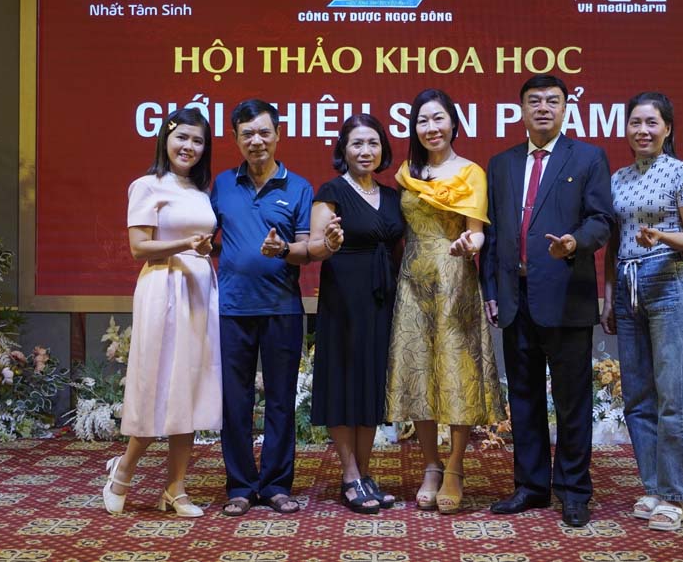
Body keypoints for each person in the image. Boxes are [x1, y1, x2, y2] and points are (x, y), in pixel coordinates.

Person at [480, 74, 614, 526]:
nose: (543, 108)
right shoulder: (501, 163)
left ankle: (574, 490)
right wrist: (491, 290)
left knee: (573, 401)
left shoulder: (588, 157)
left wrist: (575, 242)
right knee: (524, 399)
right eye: (534, 101)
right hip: (515, 297)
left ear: (564, 109)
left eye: (552, 101)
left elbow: (601, 219)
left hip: (566, 296)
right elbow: (492, 232)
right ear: (521, 109)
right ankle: (531, 486)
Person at [211, 99, 340, 516]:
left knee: (281, 400)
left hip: (282, 308)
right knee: (235, 401)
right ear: (235, 138)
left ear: (278, 135)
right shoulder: (222, 185)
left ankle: (277, 485)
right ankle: (240, 486)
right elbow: (208, 237)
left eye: (264, 132)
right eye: (247, 134)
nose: (257, 141)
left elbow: (307, 249)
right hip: (232, 308)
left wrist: (283, 249)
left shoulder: (298, 187)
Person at [385, 89, 505, 515]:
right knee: (418, 373)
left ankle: (455, 467)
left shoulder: (471, 172)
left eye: (438, 119)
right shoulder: (407, 173)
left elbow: (478, 232)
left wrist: (469, 244)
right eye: (422, 120)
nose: (431, 128)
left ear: (454, 123)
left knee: (457, 372)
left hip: (455, 280)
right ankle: (430, 465)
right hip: (413, 284)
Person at [103, 108, 220, 518]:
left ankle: (175, 488)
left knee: (189, 386)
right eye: (182, 137)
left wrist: (202, 249)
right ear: (165, 139)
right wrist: (187, 244)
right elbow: (139, 248)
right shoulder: (147, 186)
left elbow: (200, 240)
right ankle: (122, 471)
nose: (189, 147)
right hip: (162, 288)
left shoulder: (201, 191)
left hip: (199, 290)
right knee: (157, 384)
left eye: (198, 141)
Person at [600, 91, 683, 532]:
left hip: (669, 284)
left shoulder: (682, 172)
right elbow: (613, 244)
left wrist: (662, 237)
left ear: (667, 129)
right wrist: (609, 297)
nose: (642, 131)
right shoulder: (617, 179)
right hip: (627, 288)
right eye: (635, 123)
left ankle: (677, 495)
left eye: (651, 123)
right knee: (638, 397)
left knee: (674, 395)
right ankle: (654, 486)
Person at [309, 114, 404, 514]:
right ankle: (349, 475)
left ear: (383, 149)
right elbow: (314, 246)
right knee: (343, 383)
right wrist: (328, 242)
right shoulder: (331, 192)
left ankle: (364, 474)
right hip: (343, 300)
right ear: (343, 150)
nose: (365, 151)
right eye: (357, 144)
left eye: (373, 143)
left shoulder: (393, 196)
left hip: (382, 300)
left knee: (370, 385)